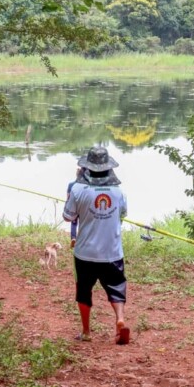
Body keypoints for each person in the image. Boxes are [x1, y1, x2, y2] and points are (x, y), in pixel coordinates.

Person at [63, 147, 130, 345]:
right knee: (116, 288)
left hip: (85, 253)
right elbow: (122, 215)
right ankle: (120, 319)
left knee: (84, 291)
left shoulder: (78, 189)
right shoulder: (119, 191)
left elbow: (68, 217)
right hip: (112, 252)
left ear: (87, 168)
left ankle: (86, 332)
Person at [66, 167, 84, 248]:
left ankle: (73, 238)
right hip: (82, 206)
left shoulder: (71, 184)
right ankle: (81, 240)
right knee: (82, 223)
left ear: (76, 175)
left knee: (73, 223)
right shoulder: (85, 185)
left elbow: (68, 197)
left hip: (73, 207)